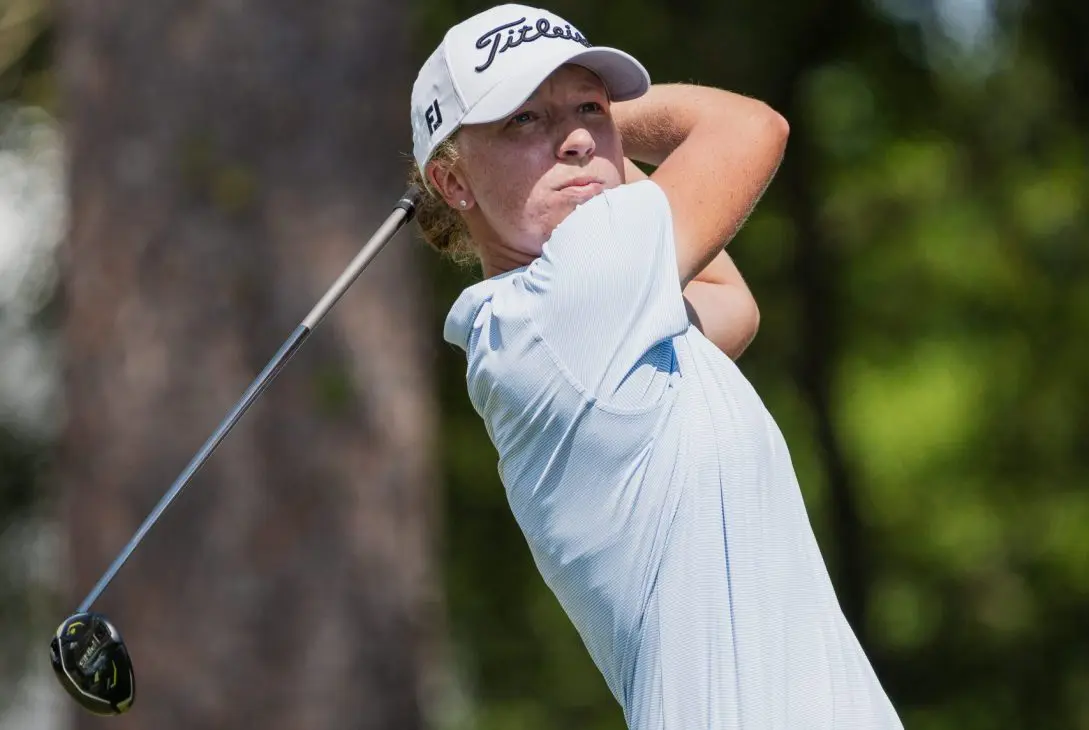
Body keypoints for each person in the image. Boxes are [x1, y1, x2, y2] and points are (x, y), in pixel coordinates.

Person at [409, 4, 904, 728]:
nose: (575, 137)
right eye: (522, 120)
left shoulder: (591, 323)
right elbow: (750, 127)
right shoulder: (559, 305)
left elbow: (727, 303)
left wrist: (586, 147)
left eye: (587, 108)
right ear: (453, 185)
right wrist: (607, 128)